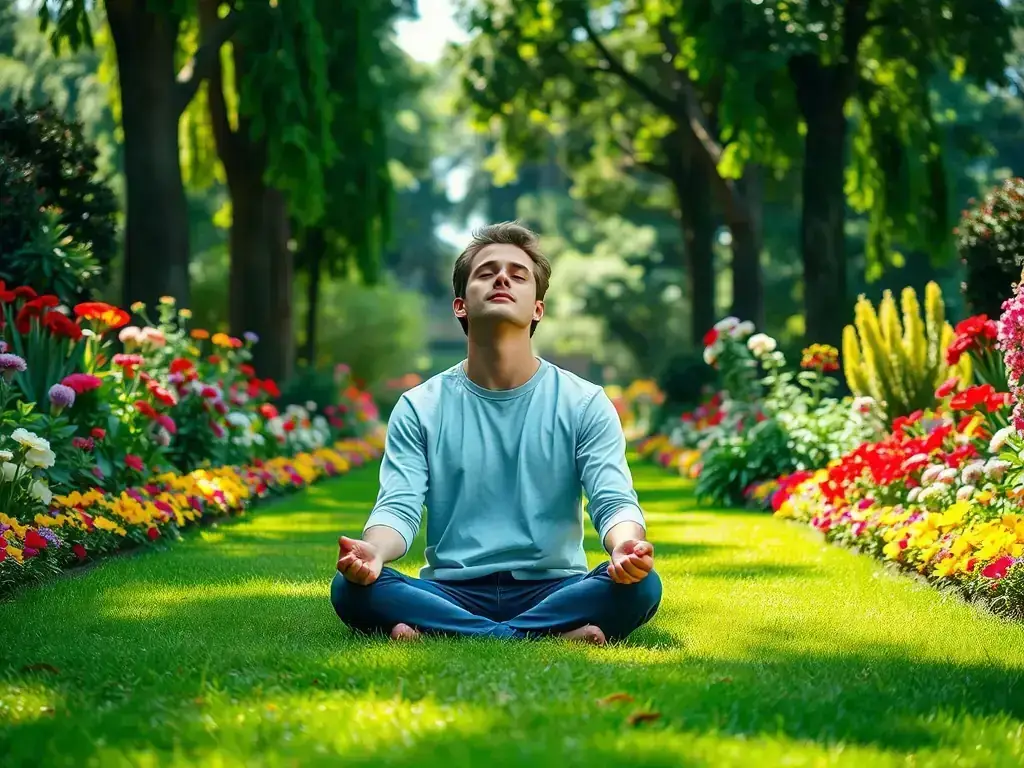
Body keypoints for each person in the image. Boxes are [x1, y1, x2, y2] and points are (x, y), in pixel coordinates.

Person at [330, 221, 661, 645]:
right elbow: (398, 507)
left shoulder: (584, 402)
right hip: (451, 590)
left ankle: (449, 632)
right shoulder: (419, 407)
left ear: (537, 309)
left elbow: (612, 499)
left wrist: (626, 547)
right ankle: (540, 635)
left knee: (642, 586)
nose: (502, 278)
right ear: (461, 305)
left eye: (518, 275)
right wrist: (374, 552)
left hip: (556, 588)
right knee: (351, 588)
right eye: (487, 273)